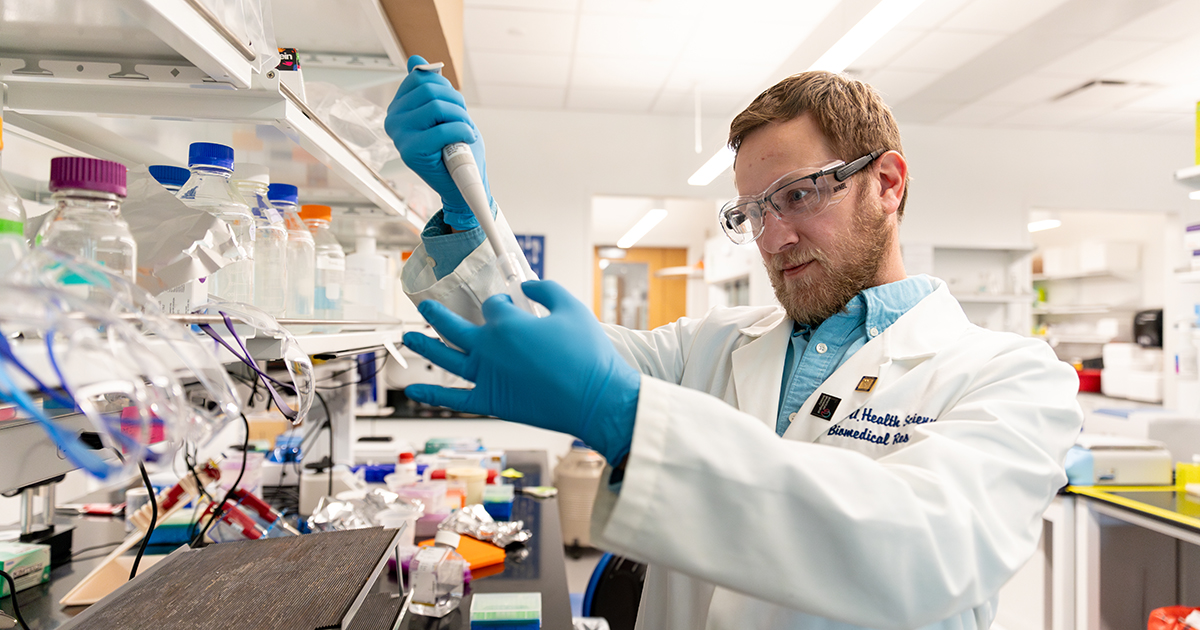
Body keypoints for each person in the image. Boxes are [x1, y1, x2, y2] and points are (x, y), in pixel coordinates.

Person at [386, 55, 1083, 630]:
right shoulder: (711, 345)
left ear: (887, 183)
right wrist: (464, 208)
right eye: (752, 212)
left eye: (799, 195)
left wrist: (628, 416)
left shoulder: (1015, 379)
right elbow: (536, 343)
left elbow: (928, 548)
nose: (773, 238)